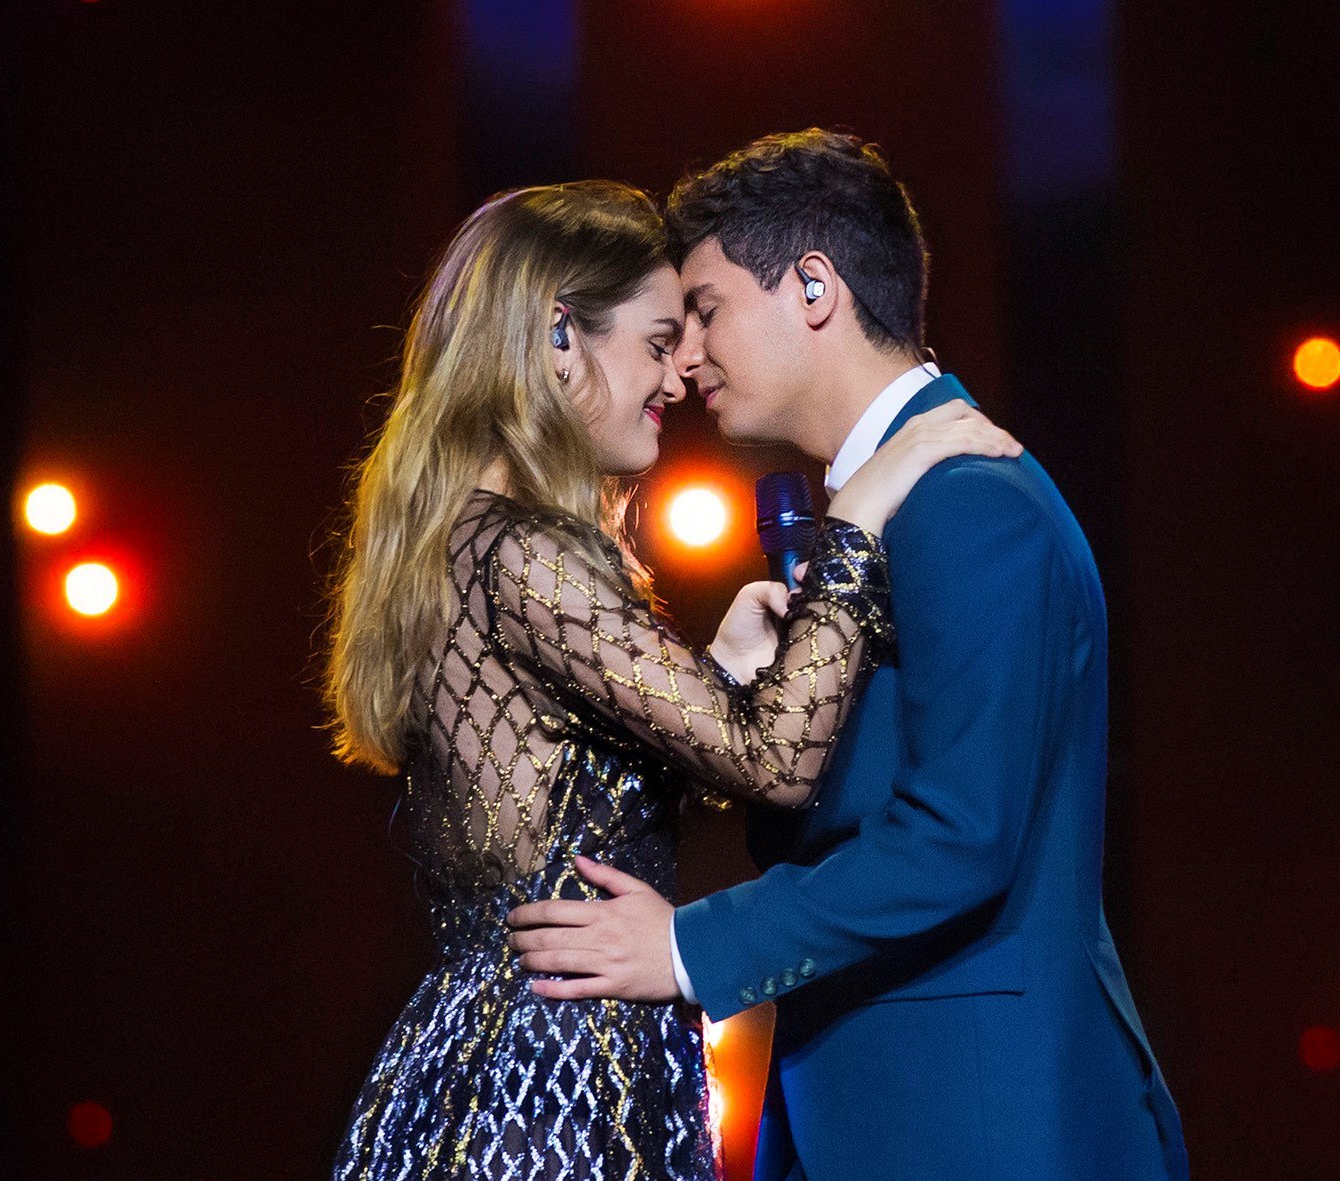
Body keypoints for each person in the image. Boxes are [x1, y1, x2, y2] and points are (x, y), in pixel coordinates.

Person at [507, 131, 1189, 1179]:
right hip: (880, 1103)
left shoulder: (966, 503)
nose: (684, 359)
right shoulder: (886, 510)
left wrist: (688, 948)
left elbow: (959, 832)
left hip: (980, 1118)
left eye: (704, 309)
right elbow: (819, 823)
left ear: (812, 287)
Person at [323, 178, 1019, 1180]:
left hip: (520, 1053)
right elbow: (776, 763)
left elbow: (566, 805)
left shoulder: (468, 538)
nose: (679, 374)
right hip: (550, 1075)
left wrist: (718, 669)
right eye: (657, 341)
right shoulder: (525, 553)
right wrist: (856, 526)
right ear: (559, 334)